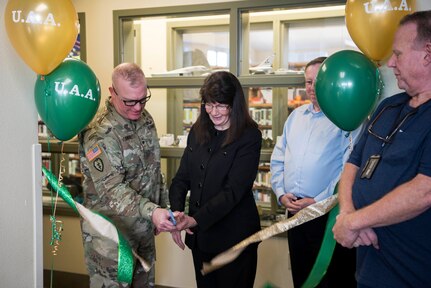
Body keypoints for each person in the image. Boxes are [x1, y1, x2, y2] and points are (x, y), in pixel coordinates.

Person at [333, 11, 431, 288]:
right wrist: (347, 214)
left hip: (414, 274)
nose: (390, 62)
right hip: (369, 271)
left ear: (428, 54)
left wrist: (353, 223)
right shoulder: (388, 107)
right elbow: (353, 163)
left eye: (398, 54)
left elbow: (425, 191)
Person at [79, 63, 177, 287]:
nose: (137, 107)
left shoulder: (145, 119)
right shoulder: (99, 134)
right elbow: (112, 190)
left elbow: (154, 171)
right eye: (129, 101)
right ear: (112, 92)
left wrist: (166, 211)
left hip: (143, 235)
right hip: (113, 243)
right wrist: (153, 212)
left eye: (143, 99)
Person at [270, 57, 361, 287]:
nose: (312, 88)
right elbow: (278, 158)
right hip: (295, 215)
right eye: (308, 82)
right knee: (301, 277)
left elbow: (347, 169)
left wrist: (318, 201)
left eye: (318, 81)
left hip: (327, 215)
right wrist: (281, 193)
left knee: (331, 279)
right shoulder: (295, 117)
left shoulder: (345, 119)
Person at [168, 71, 262, 288]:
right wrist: (176, 215)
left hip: (235, 240)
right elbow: (182, 178)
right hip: (201, 239)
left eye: (221, 105)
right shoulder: (198, 130)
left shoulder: (249, 136)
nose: (213, 112)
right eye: (209, 104)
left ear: (234, 104)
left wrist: (195, 220)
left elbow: (233, 192)